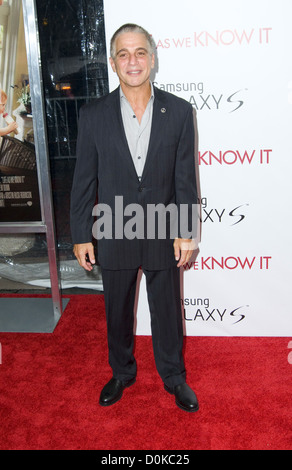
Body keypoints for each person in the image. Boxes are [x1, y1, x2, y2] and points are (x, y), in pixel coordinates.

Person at [70, 24, 199, 412]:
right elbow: (83, 180)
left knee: (167, 311)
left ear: (153, 58)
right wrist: (80, 234)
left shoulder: (178, 111)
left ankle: (174, 377)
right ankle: (121, 373)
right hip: (113, 225)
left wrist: (186, 231)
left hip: (162, 225)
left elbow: (185, 178)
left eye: (140, 52)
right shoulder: (93, 115)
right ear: (113, 63)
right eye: (123, 54)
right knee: (118, 310)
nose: (133, 61)